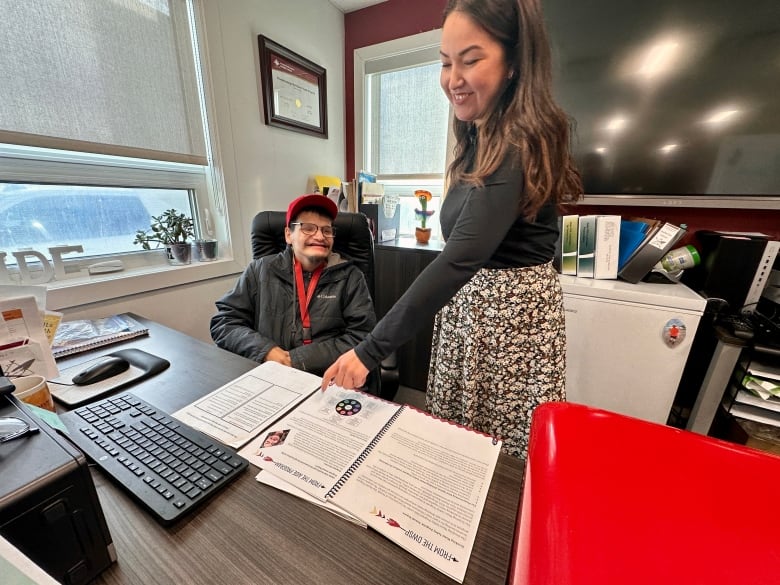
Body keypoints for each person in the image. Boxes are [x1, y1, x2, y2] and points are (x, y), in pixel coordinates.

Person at [322, 0, 582, 458]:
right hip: (472, 313)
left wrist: (368, 351)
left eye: (471, 59)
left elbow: (460, 255)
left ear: (514, 63)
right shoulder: (478, 134)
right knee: (456, 447)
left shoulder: (518, 140)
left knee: (498, 462)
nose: (453, 79)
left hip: (509, 325)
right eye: (445, 62)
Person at [210, 194, 377, 383]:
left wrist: (297, 360)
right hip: (268, 376)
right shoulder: (259, 271)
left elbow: (362, 336)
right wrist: (266, 351)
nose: (320, 236)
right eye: (308, 228)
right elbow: (224, 322)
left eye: (327, 230)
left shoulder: (351, 277)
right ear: (288, 235)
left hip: (327, 379)